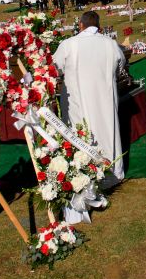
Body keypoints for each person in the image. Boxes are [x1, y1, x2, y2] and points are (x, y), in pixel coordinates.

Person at [53, 10, 126, 187]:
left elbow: (55, 67)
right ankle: (111, 172)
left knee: (81, 133)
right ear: (98, 26)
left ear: (80, 25)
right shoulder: (110, 44)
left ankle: (81, 175)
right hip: (105, 99)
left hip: (79, 101)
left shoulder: (69, 44)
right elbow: (121, 65)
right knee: (107, 131)